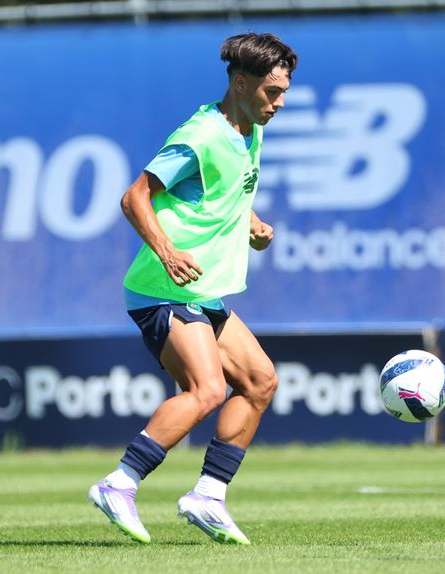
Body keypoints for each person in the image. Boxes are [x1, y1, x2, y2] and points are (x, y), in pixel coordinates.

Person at [87, 32, 296, 546]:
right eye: (272, 92)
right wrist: (166, 249)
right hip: (165, 286)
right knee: (206, 391)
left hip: (203, 290)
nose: (280, 102)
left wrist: (251, 222)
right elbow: (135, 197)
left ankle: (208, 496)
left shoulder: (252, 127)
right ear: (241, 83)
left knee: (261, 382)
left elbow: (222, 193)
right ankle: (119, 483)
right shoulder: (199, 136)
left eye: (285, 91)